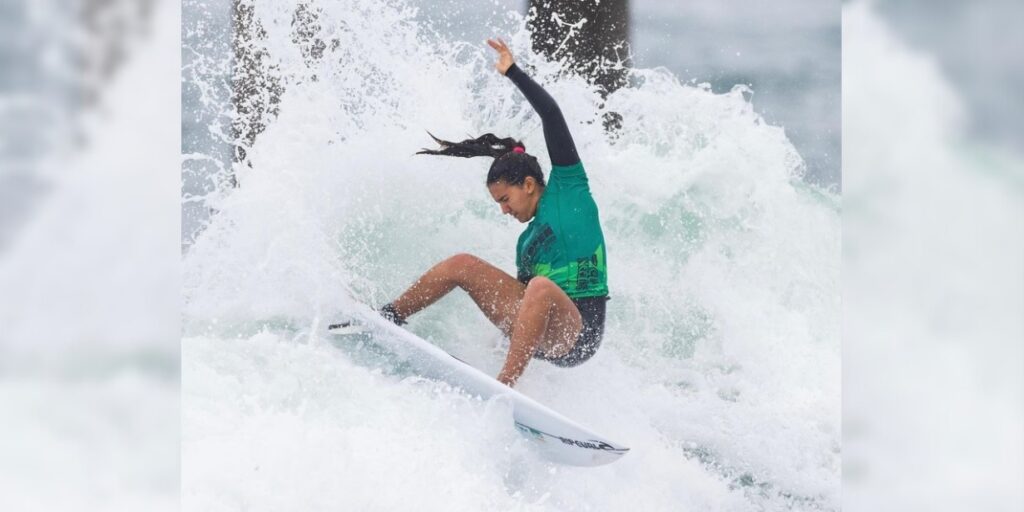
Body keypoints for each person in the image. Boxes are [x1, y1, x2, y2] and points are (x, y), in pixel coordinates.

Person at [379, 38, 609, 387]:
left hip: (579, 333)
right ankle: (389, 316)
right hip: (543, 332)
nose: (503, 210)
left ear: (528, 185)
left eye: (505, 199)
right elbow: (523, 313)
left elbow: (551, 114)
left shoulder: (570, 188)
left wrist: (512, 72)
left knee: (542, 287)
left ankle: (505, 387)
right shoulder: (527, 243)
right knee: (463, 264)